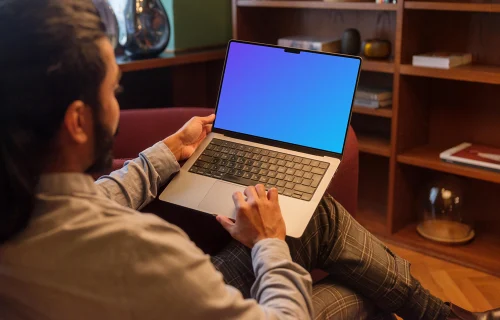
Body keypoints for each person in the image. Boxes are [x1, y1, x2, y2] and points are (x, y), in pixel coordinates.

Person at [0, 1, 497, 319]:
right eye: (115, 90)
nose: (118, 103)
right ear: (78, 121)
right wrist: (268, 244)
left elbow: (93, 197)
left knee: (320, 221)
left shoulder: (18, 204)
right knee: (362, 300)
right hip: (159, 296)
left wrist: (167, 153)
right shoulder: (140, 250)